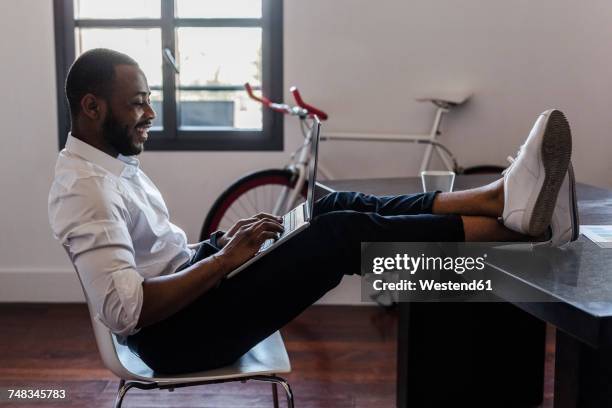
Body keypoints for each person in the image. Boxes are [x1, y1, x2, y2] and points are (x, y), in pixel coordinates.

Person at [48, 48, 577, 374]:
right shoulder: (84, 188)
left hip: (193, 295)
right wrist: (225, 260)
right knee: (339, 235)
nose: (150, 113)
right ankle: (518, 234)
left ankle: (498, 201)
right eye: (137, 102)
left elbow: (155, 263)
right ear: (92, 107)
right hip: (176, 341)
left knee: (333, 205)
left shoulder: (110, 166)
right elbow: (127, 312)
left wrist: (220, 248)